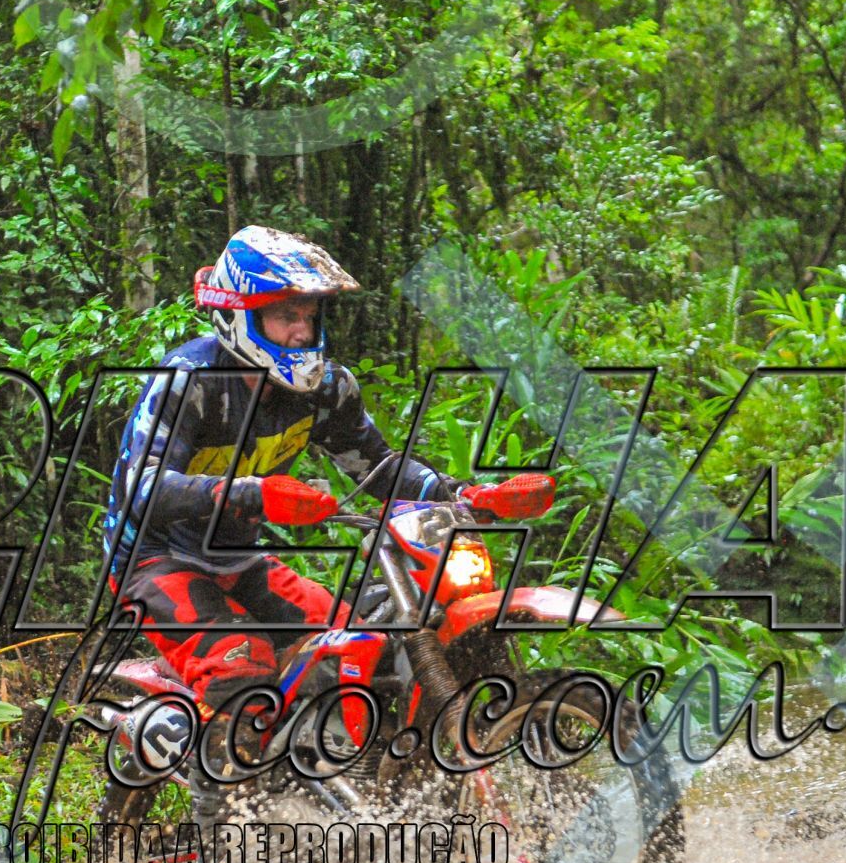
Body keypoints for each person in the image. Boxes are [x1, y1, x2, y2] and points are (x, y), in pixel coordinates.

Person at [99, 225, 554, 796]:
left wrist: (462, 494)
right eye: (284, 315)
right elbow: (140, 487)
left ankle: (329, 783)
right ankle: (226, 824)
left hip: (240, 559)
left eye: (309, 315)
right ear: (241, 317)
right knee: (242, 669)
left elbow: (378, 467)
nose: (301, 329)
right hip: (154, 560)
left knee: (352, 648)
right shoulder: (189, 380)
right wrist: (251, 492)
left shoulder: (325, 389)